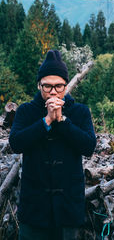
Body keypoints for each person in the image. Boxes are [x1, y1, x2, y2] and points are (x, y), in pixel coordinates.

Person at [9, 50, 96, 240]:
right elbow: (16, 143)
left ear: (66, 86)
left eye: (59, 86)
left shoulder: (80, 112)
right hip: (34, 210)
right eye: (48, 86)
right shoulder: (26, 111)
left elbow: (89, 146)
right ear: (39, 85)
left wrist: (63, 121)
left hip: (68, 209)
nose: (54, 91)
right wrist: (46, 121)